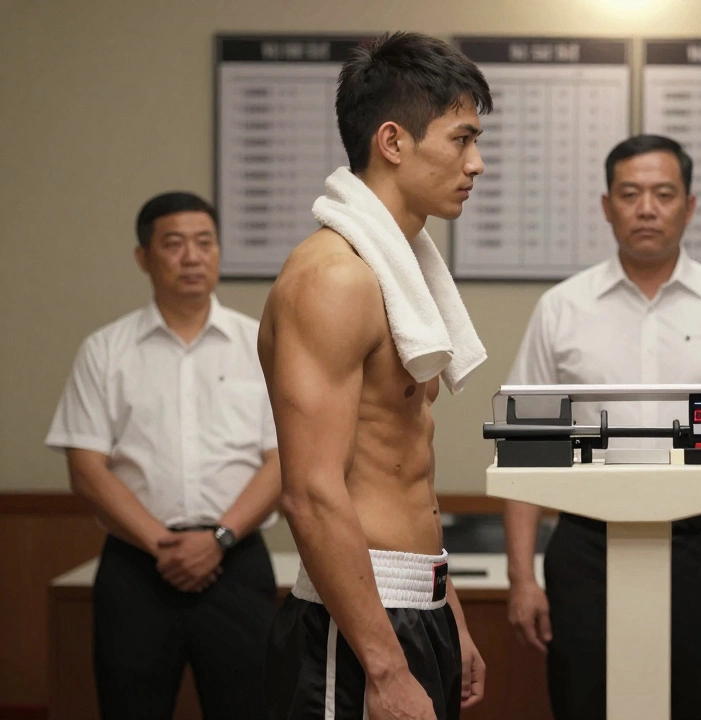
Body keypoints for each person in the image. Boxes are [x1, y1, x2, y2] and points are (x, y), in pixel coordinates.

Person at [503, 134, 701, 720]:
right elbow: (529, 448)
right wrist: (521, 578)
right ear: (606, 205)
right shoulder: (561, 309)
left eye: (664, 194)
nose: (646, 208)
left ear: (688, 206)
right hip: (586, 550)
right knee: (584, 705)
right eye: (630, 193)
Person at [259, 32, 491, 720]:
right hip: (359, 625)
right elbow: (310, 492)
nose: (476, 163)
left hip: (413, 602)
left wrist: (447, 607)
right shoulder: (333, 279)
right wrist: (385, 667)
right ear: (393, 141)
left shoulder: (398, 275)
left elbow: (400, 466)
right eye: (461, 139)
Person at [45, 191, 281, 720]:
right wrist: (166, 546)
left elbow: (284, 460)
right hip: (136, 566)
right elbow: (85, 468)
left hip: (237, 561)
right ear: (143, 257)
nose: (192, 256)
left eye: (205, 242)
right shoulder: (105, 350)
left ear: (219, 252)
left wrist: (217, 540)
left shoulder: (260, 344)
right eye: (173, 243)